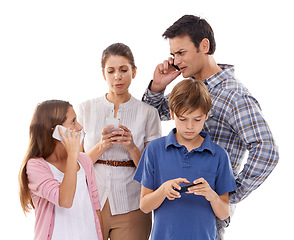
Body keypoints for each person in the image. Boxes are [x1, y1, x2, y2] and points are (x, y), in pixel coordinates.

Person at [142, 14, 279, 239]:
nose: (175, 61)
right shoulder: (191, 88)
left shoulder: (234, 96)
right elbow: (150, 116)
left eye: (181, 53)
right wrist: (158, 86)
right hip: (172, 209)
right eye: (173, 54)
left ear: (203, 46)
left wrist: (229, 192)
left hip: (207, 212)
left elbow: (267, 150)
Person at [77, 43, 161, 240]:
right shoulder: (84, 109)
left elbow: (152, 171)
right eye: (111, 71)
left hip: (132, 204)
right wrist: (102, 145)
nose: (118, 76)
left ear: (134, 71)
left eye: (124, 70)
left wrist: (131, 146)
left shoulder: (148, 113)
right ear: (103, 73)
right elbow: (75, 166)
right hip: (91, 203)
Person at [134, 79, 237, 239]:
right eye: (183, 119)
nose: (190, 126)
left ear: (207, 115)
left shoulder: (219, 155)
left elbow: (224, 213)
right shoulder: (154, 150)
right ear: (172, 114)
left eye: (197, 119)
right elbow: (144, 206)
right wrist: (163, 191)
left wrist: (211, 195)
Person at [18, 100, 103, 240]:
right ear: (56, 131)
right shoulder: (35, 167)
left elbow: (96, 207)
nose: (80, 127)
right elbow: (65, 200)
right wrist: (72, 155)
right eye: (73, 122)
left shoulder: (84, 160)